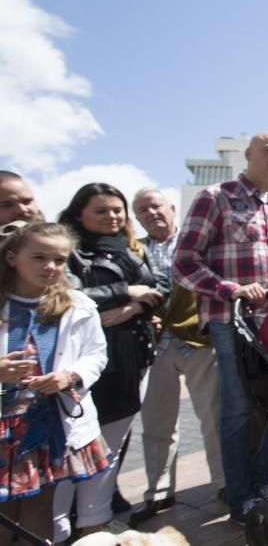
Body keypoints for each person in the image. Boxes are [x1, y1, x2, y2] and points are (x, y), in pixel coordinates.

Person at [173, 132, 268, 524]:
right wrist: (229, 290)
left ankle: (258, 481)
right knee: (237, 411)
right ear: (248, 154)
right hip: (229, 321)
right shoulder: (215, 196)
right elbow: (183, 262)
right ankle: (241, 496)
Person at [55, 183, 169, 538]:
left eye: (117, 210)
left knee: (114, 440)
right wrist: (126, 293)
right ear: (79, 214)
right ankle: (66, 521)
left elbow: (159, 285)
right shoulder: (68, 251)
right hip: (88, 361)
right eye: (101, 211)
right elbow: (69, 294)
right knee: (78, 441)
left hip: (134, 352)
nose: (112, 217)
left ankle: (96, 518)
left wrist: (133, 306)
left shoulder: (132, 249)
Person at [0, 223, 109, 545]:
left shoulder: (77, 304)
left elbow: (96, 354)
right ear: (12, 258)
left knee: (39, 510)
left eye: (59, 260)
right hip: (5, 426)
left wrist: (69, 376)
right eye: (38, 257)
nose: (50, 267)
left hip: (48, 424)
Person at [128, 188, 224, 528]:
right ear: (136, 217)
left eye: (155, 205)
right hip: (155, 346)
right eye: (142, 209)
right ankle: (157, 491)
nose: (150, 212)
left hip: (196, 339)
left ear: (172, 208)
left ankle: (224, 484)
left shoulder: (198, 242)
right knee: (156, 423)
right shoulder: (132, 249)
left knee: (212, 417)